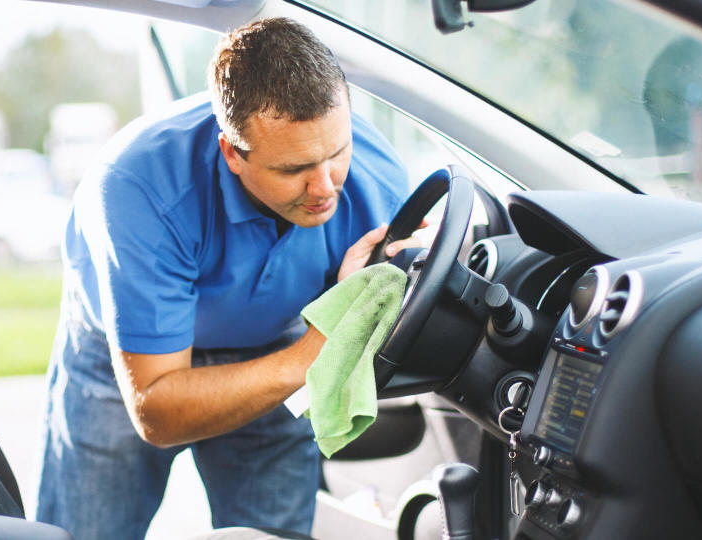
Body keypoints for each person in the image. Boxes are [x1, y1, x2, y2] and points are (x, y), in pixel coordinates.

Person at [32, 17, 417, 539]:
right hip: (128, 357)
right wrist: (315, 353)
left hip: (277, 337)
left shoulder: (378, 181)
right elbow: (157, 411)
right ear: (232, 152)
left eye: (336, 153)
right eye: (293, 169)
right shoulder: (136, 189)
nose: (326, 187)